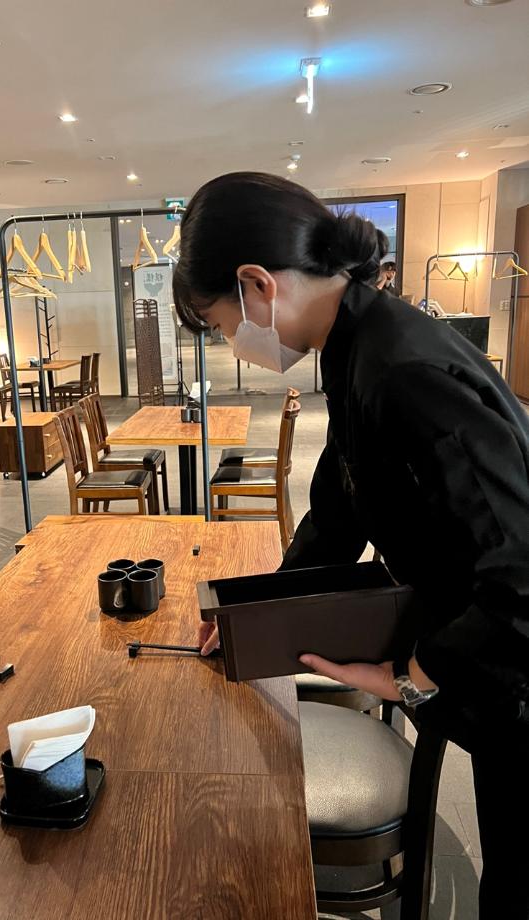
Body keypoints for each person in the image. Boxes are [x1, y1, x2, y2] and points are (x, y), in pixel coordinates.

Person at [172, 172, 529, 920]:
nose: (234, 344)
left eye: (221, 324)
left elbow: (521, 569)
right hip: (485, 644)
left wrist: (412, 677)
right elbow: (338, 514)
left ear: (257, 285)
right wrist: (251, 615)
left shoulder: (401, 368)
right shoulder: (354, 344)